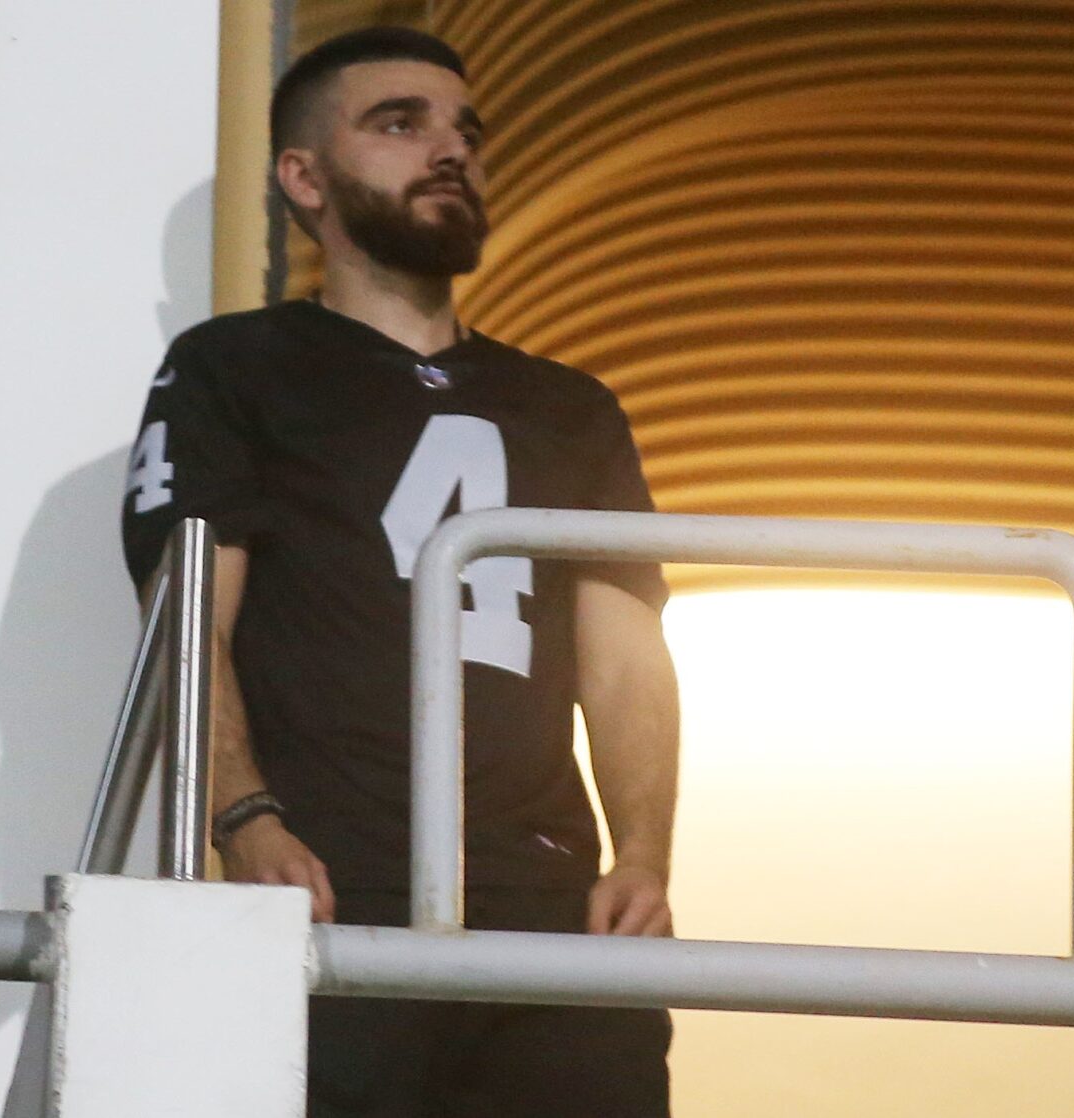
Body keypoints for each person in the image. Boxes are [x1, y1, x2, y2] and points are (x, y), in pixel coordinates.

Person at [120, 26, 680, 1117]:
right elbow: (187, 624)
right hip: (326, 887)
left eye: (466, 129)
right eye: (398, 123)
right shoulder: (235, 369)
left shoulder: (570, 407)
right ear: (303, 178)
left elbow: (625, 659)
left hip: (546, 901)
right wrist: (246, 821)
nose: (450, 149)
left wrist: (644, 856)